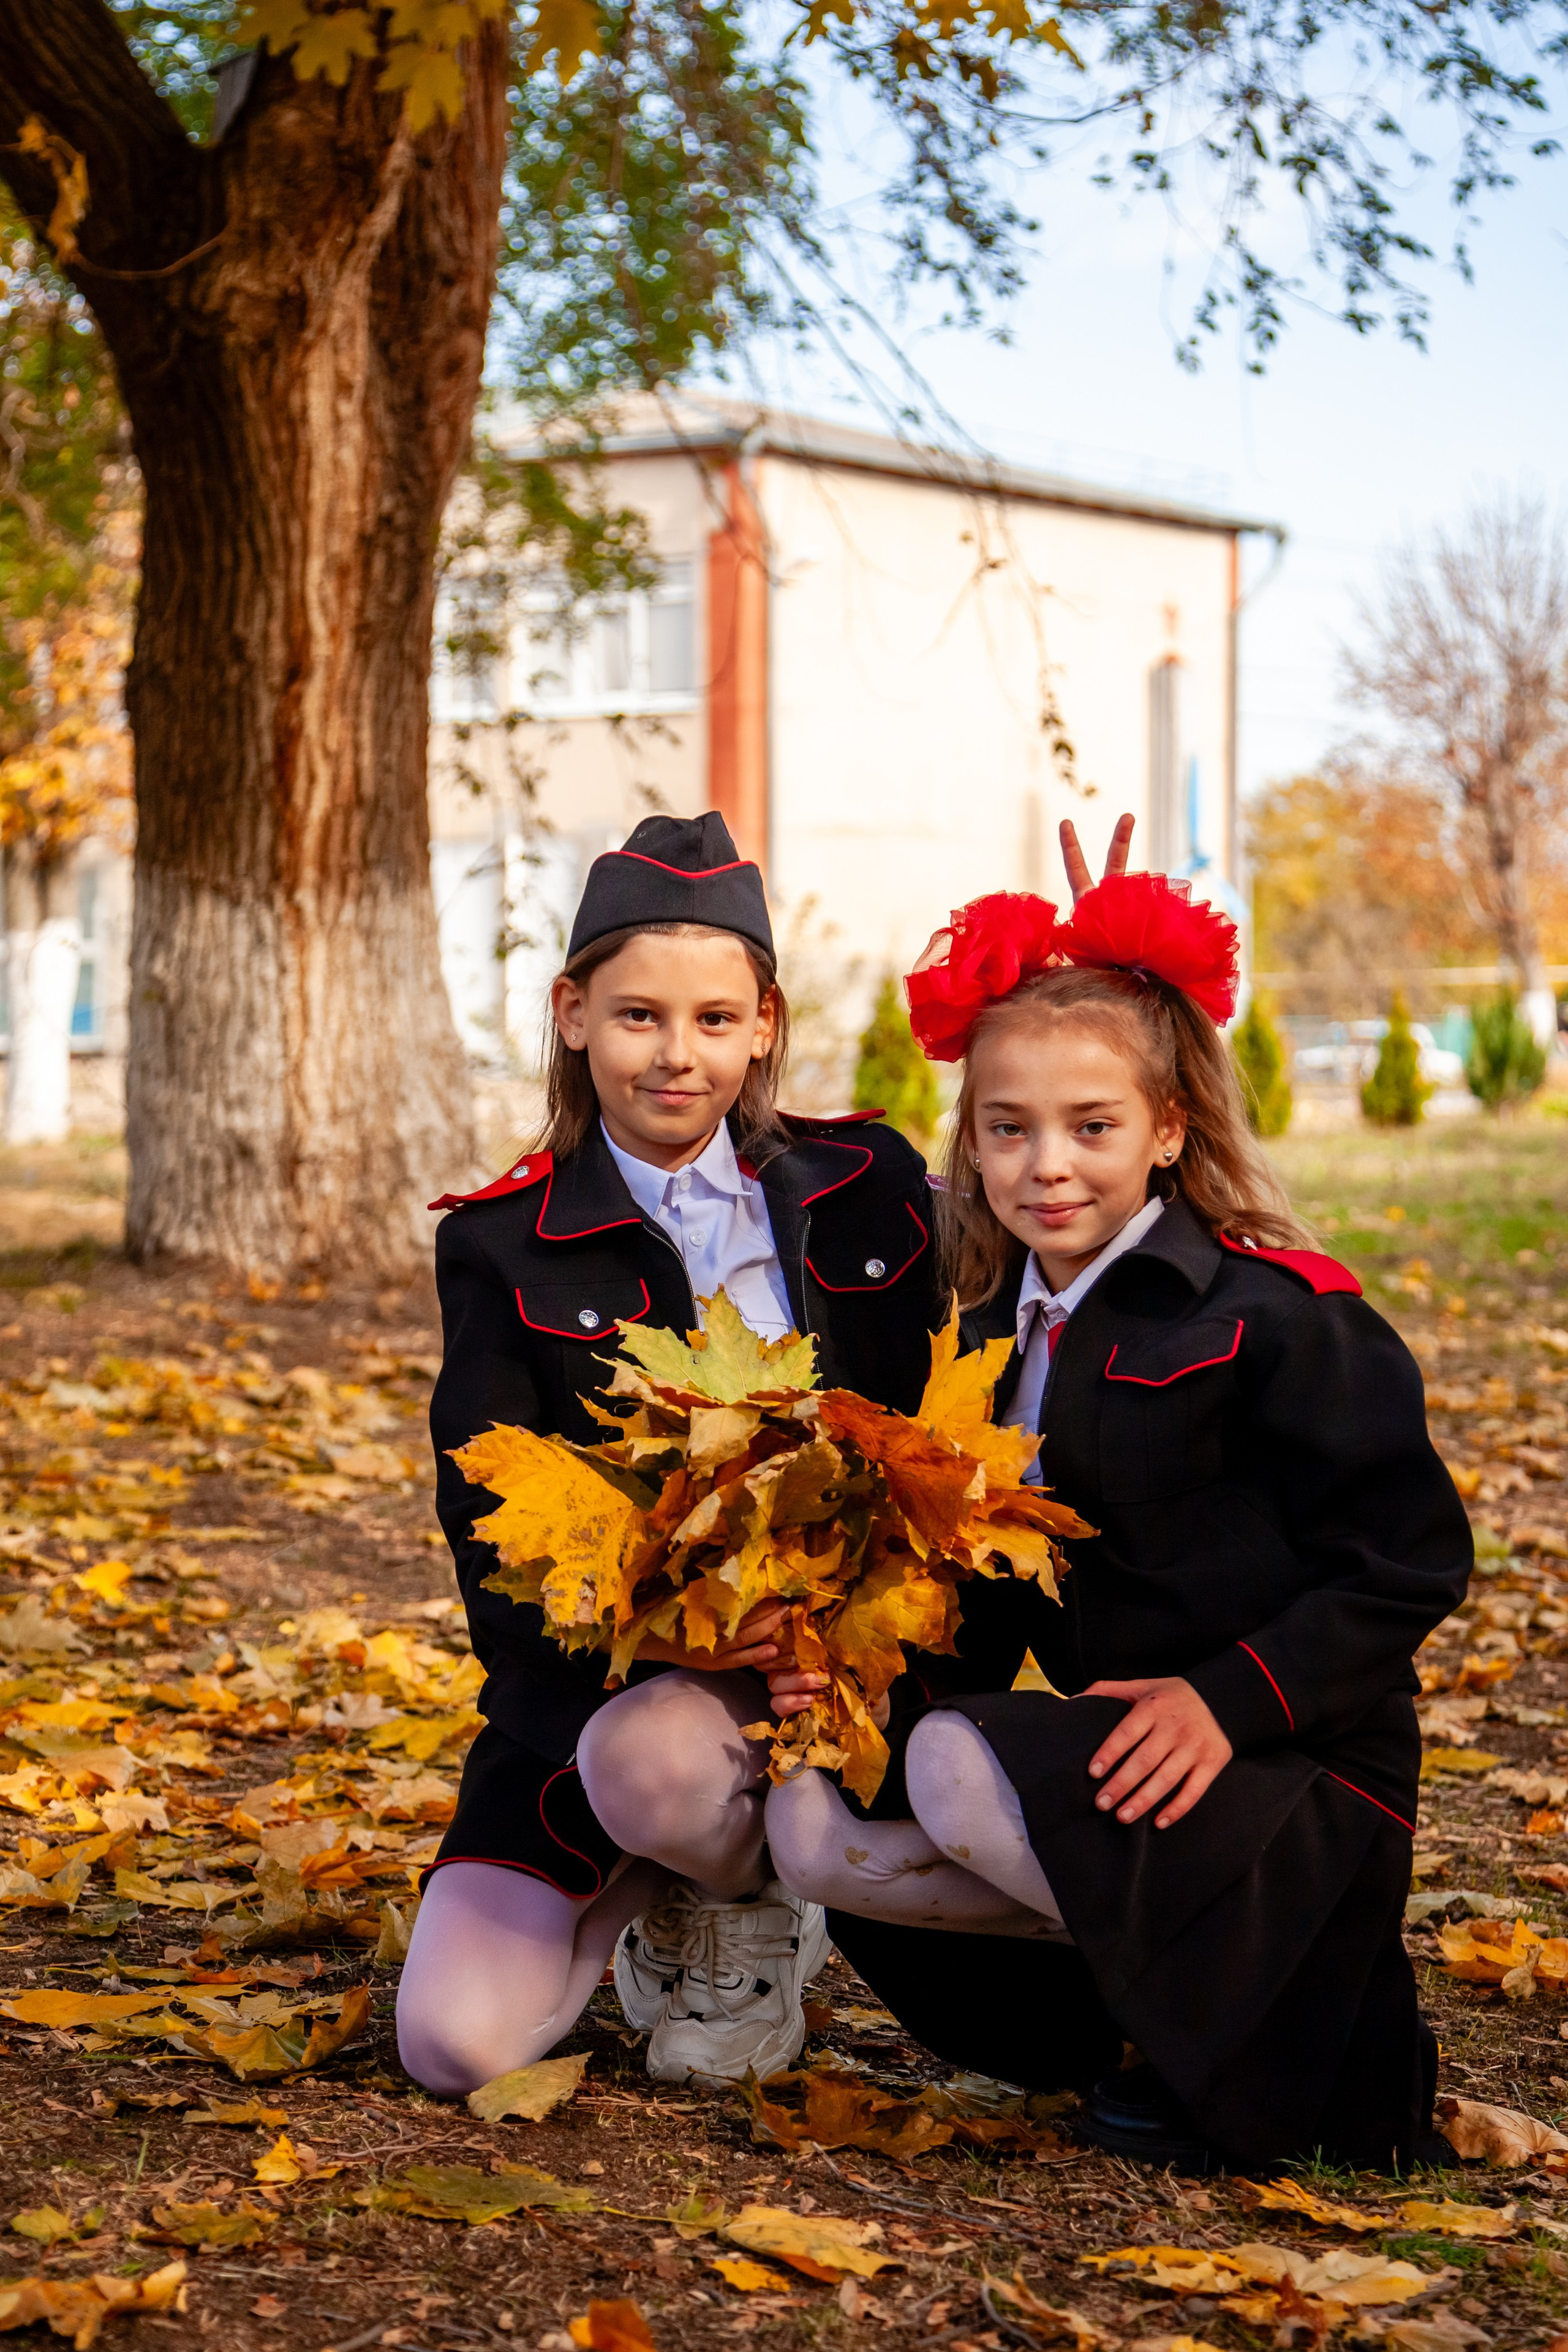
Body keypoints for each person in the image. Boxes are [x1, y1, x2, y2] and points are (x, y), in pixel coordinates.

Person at [761, 821, 1472, 2171]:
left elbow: (1409, 1562)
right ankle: (1124, 2028)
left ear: (1165, 1128)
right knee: (820, 1817)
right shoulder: (976, 1336)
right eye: (1006, 1128)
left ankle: (1278, 2019)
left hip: (1292, 1762)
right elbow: (981, 1602)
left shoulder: (1276, 1314)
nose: (1047, 1166)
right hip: (1117, 1764)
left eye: (1090, 1128)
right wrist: (855, 1682)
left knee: (959, 1767)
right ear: (966, 1139)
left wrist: (1229, 1700)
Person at [396, 811, 941, 2096]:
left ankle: (752, 1906)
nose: (676, 1056)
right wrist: (670, 1640)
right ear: (572, 1012)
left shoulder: (869, 1183)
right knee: (452, 2047)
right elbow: (488, 1537)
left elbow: (1064, 1187)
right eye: (638, 1016)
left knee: (664, 1772)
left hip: (850, 1682)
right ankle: (688, 1872)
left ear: (763, 1022)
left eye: (711, 1019)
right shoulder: (502, 1243)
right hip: (616, 1697)